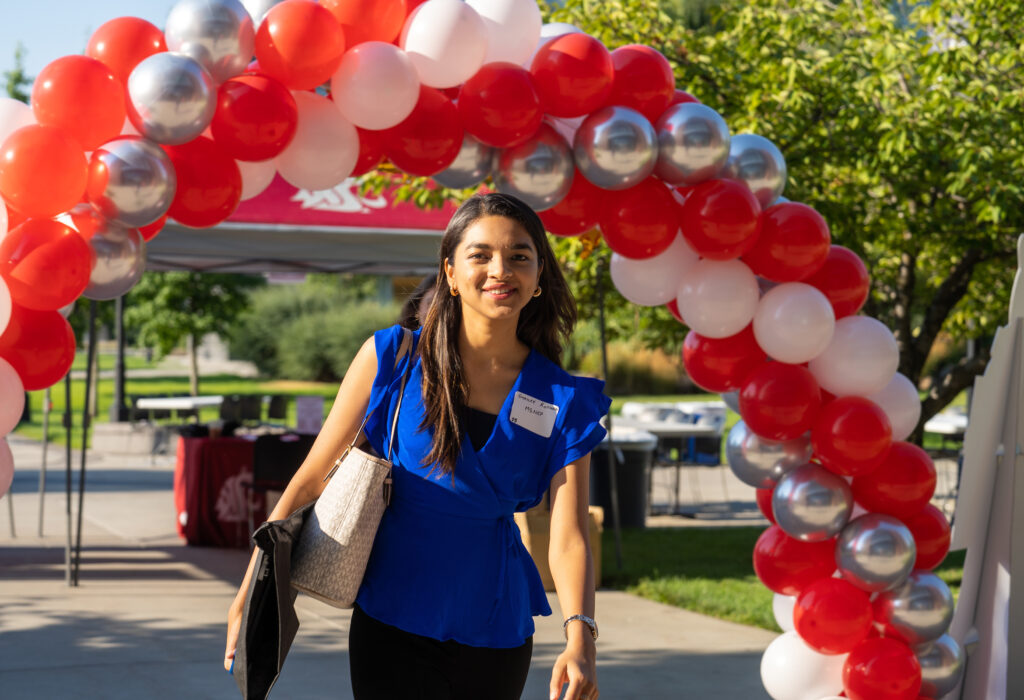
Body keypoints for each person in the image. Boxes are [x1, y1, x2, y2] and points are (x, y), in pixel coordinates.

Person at [225, 193, 609, 700]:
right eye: (481, 255)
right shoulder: (391, 357)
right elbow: (311, 477)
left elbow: (568, 537)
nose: (501, 269)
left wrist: (580, 639)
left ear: (539, 276)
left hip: (497, 628)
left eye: (520, 256)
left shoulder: (564, 397)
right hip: (392, 620)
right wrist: (253, 591)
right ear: (450, 273)